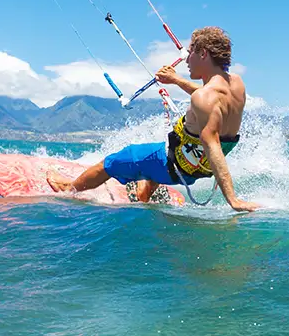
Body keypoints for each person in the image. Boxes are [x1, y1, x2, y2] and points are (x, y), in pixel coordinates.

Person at [47, 26, 258, 212]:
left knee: (112, 162)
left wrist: (233, 199)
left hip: (174, 166)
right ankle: (144, 195)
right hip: (198, 169)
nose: (187, 58)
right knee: (162, 153)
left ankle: (70, 188)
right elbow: (209, 96)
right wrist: (175, 80)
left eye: (191, 51)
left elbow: (212, 145)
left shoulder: (203, 98)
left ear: (203, 54)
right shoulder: (235, 84)